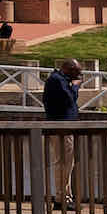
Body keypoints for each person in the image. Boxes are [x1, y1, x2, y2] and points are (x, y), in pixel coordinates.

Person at [43, 57, 82, 205]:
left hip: (65, 127)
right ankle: (61, 198)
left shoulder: (60, 80)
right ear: (69, 69)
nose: (78, 76)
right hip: (60, 128)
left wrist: (73, 84)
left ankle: (66, 196)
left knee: (67, 162)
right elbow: (70, 98)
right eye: (77, 73)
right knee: (63, 162)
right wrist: (76, 86)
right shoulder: (57, 80)